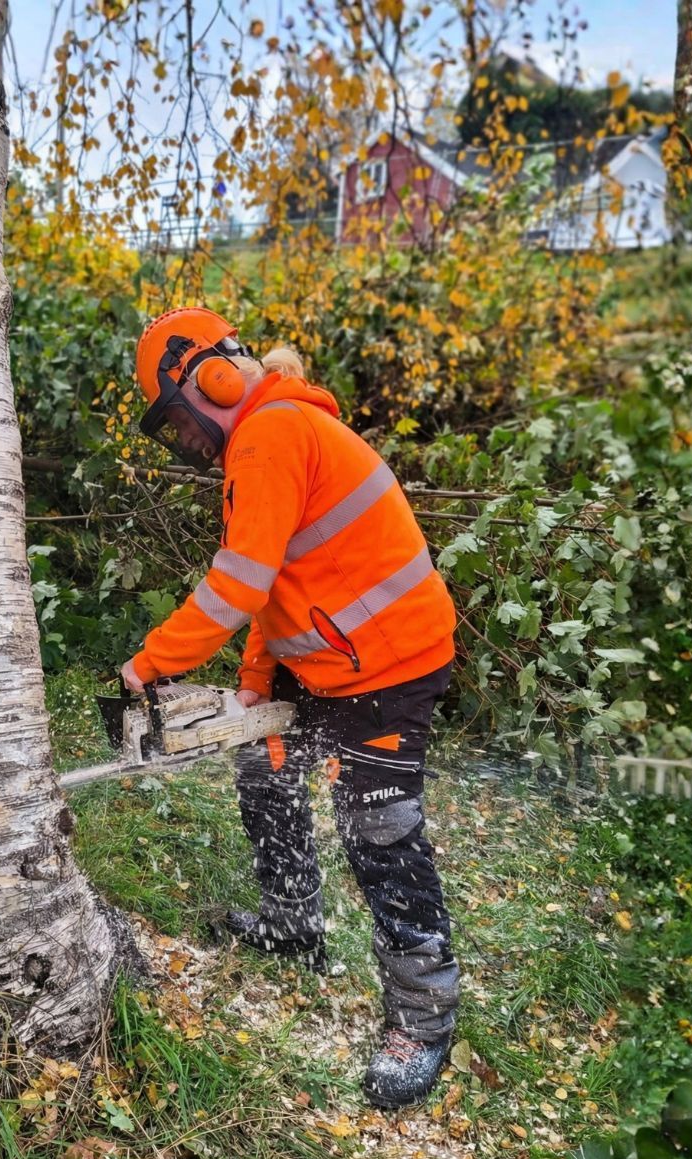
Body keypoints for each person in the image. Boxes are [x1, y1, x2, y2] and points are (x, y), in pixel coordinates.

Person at [120, 306, 460, 1109]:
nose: (187, 439)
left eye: (182, 419)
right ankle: (294, 918)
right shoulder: (265, 435)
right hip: (335, 659)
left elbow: (238, 584)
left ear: (213, 378)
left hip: (391, 664)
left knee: (380, 830)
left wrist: (149, 664)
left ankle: (423, 1018)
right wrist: (255, 680)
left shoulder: (271, 433)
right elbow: (277, 585)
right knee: (264, 765)